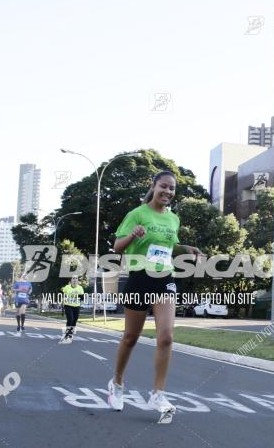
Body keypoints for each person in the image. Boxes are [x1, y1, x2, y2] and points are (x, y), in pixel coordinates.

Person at [107, 171, 202, 415]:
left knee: (167, 336)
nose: (168, 192)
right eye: (164, 186)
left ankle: (158, 395)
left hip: (165, 279)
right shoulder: (137, 214)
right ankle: (117, 383)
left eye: (172, 188)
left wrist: (186, 247)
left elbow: (167, 246)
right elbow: (117, 246)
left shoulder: (173, 219)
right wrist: (132, 235)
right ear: (154, 186)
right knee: (130, 337)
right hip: (139, 278)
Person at [60, 277, 84, 344]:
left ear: (77, 281)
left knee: (74, 320)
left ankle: (70, 334)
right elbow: (63, 294)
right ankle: (67, 334)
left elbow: (82, 298)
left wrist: (76, 295)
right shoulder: (67, 287)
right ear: (71, 281)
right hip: (68, 305)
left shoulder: (80, 288)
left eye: (76, 279)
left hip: (76, 306)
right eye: (73, 279)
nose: (74, 280)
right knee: (70, 319)